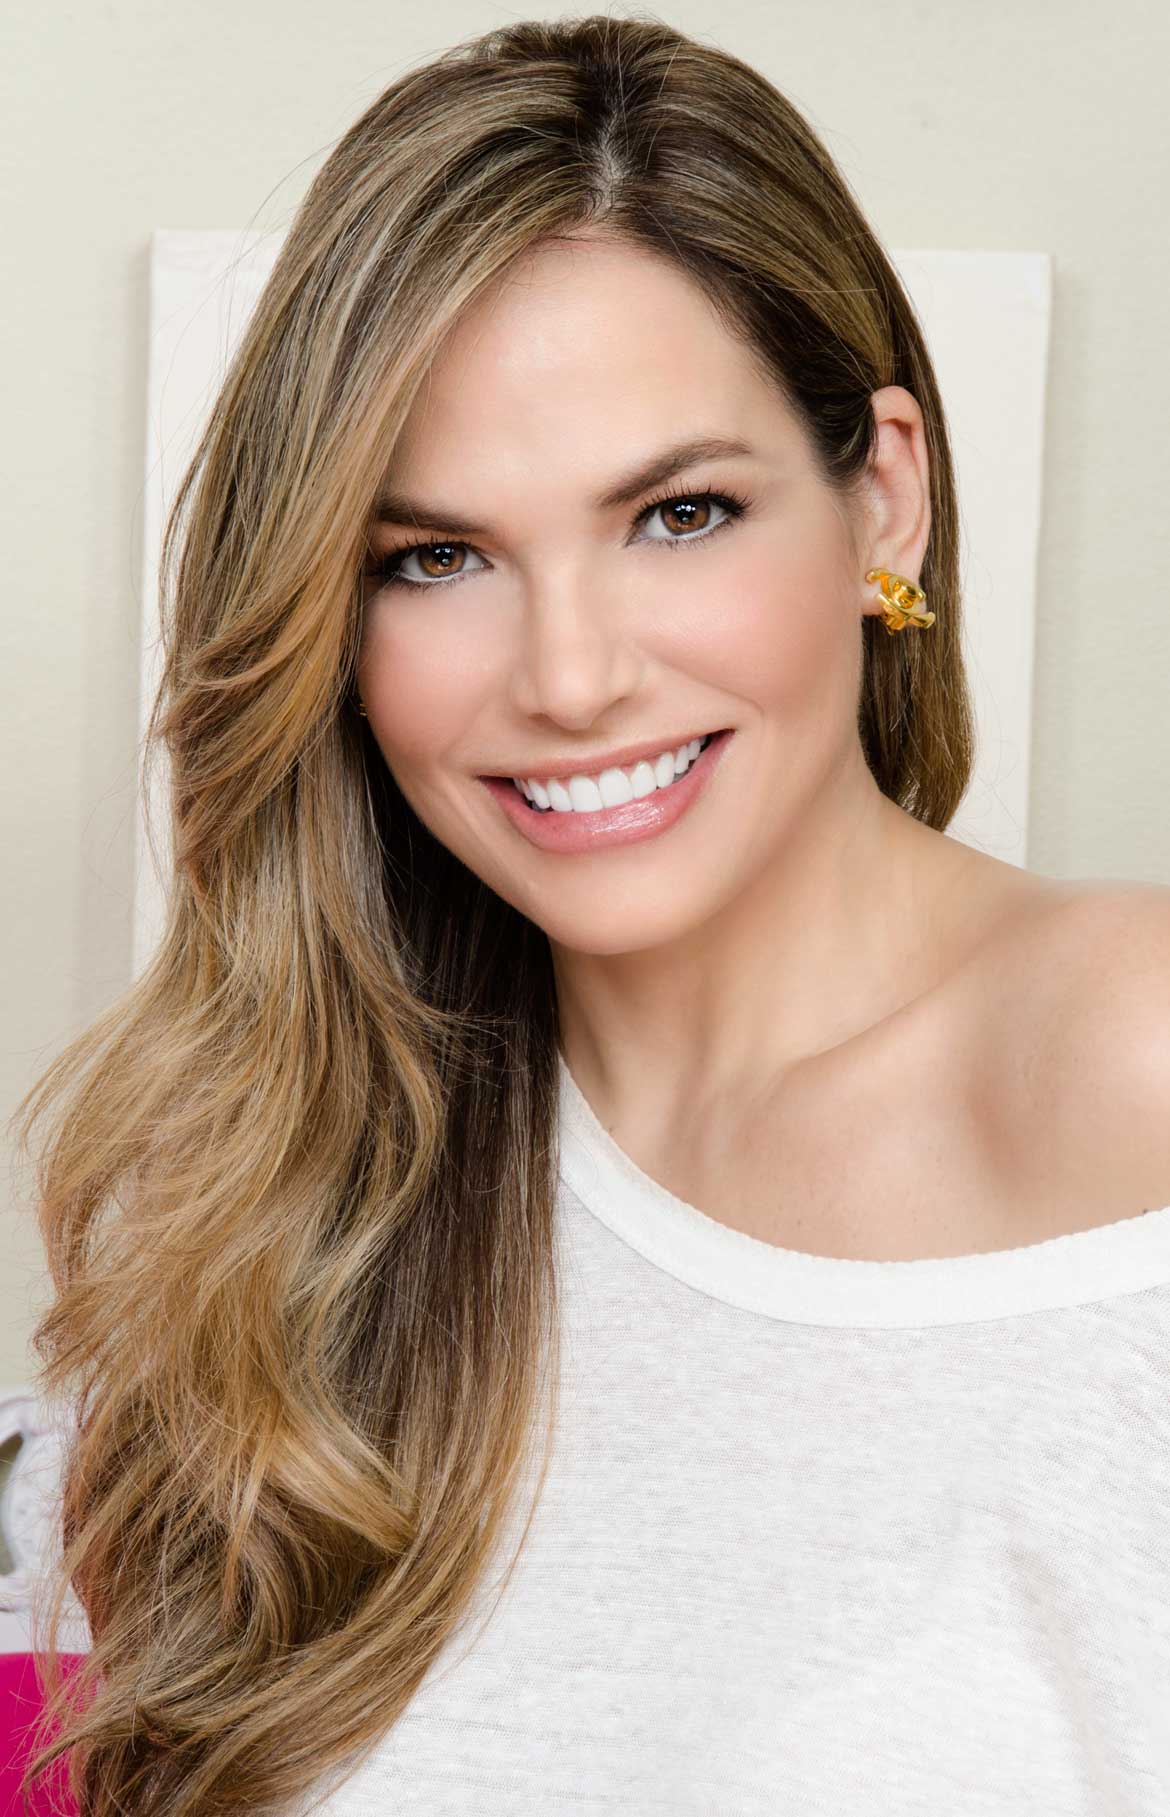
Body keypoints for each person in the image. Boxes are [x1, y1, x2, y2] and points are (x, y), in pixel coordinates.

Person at [12, 14, 1170, 1816]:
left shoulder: (1130, 1062)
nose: (567, 677)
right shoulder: (273, 1211)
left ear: (883, 495)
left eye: (678, 513)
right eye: (436, 558)